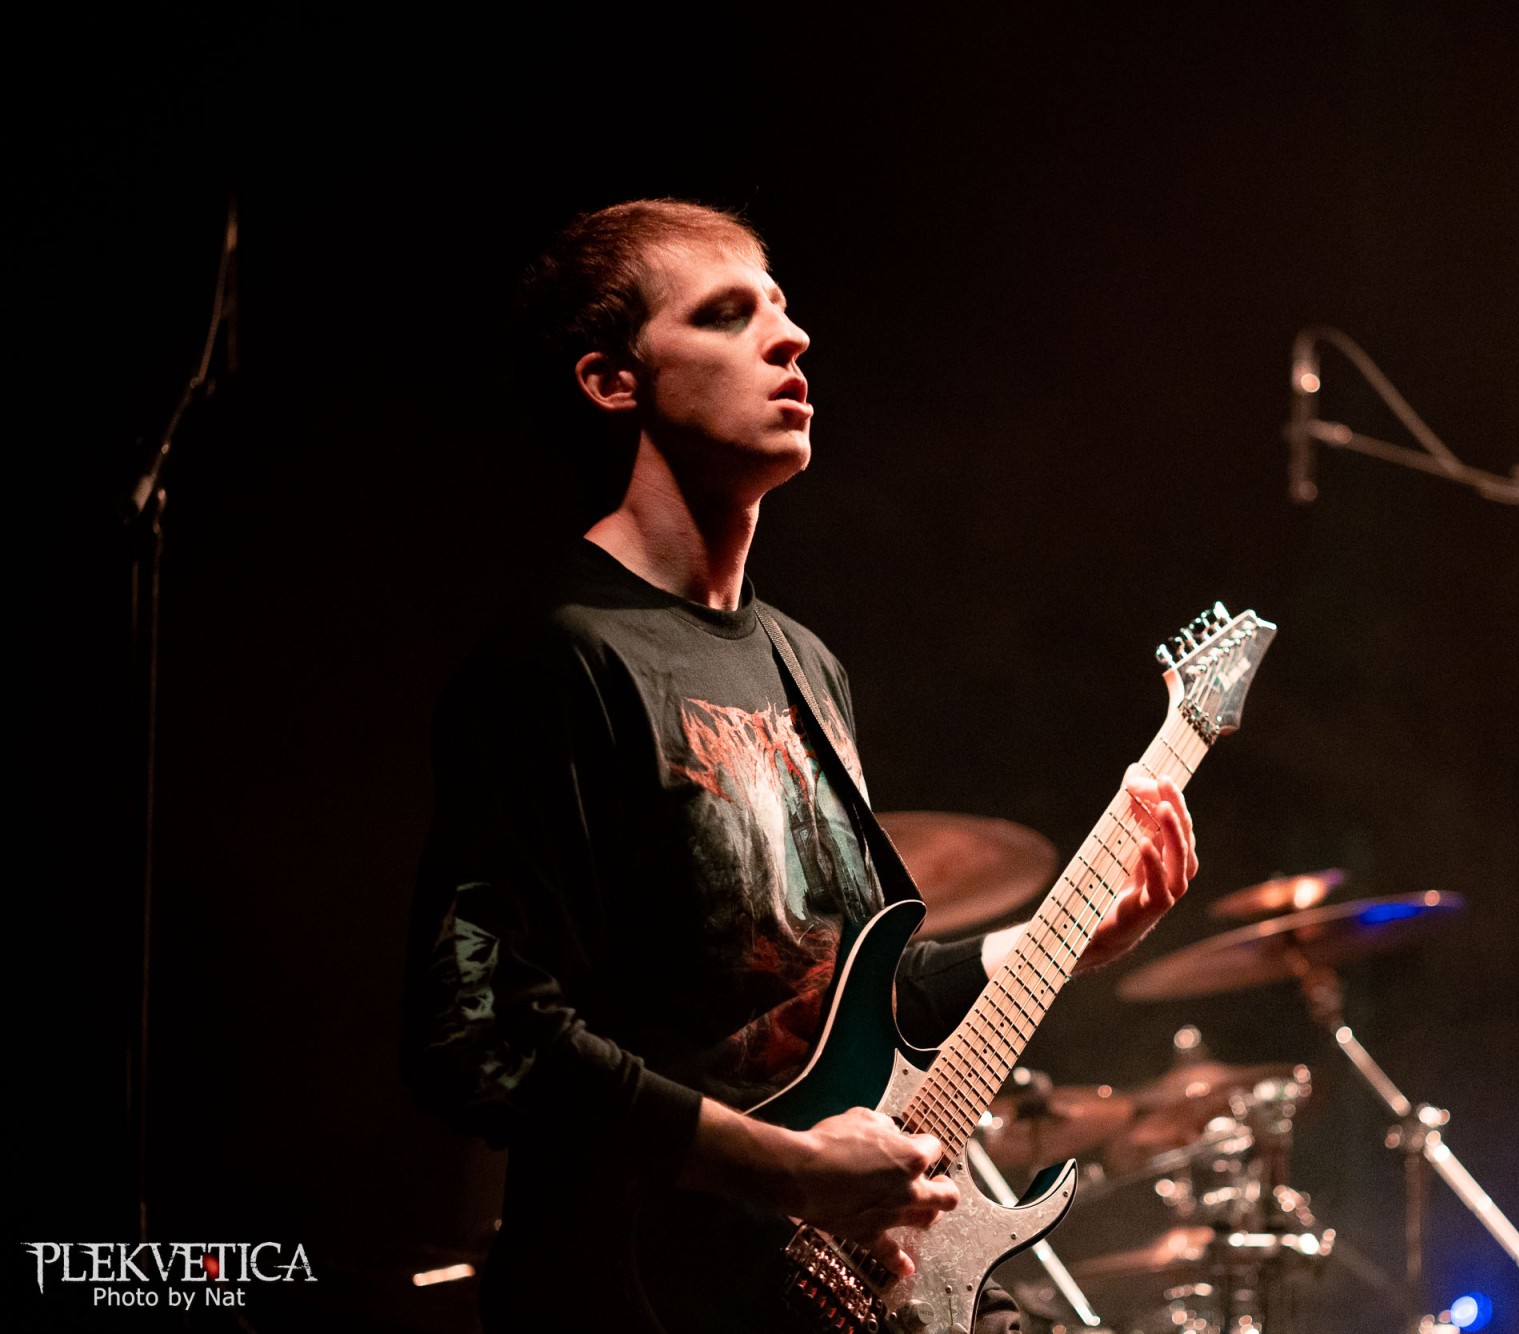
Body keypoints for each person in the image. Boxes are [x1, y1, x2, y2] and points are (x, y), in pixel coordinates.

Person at [402, 199, 1197, 1332]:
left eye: (781, 306)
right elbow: (477, 1032)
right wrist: (788, 1169)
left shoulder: (805, 665)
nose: (791, 337)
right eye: (727, 314)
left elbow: (840, 997)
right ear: (611, 382)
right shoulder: (556, 657)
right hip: (640, 1295)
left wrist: (1066, 938)